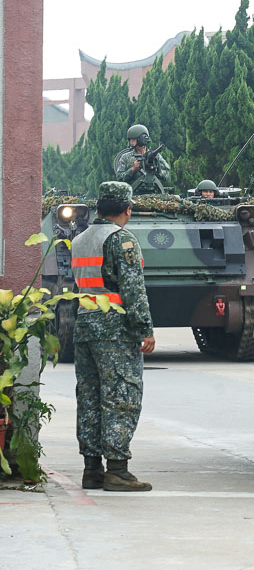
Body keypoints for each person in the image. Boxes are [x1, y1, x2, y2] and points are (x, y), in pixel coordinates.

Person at [70, 181, 156, 492]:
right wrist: (144, 328)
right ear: (127, 209)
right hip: (114, 328)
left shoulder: (79, 239)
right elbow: (133, 290)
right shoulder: (122, 240)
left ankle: (92, 469)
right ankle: (117, 470)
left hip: (85, 325)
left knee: (90, 398)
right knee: (121, 394)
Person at [115, 124, 171, 194]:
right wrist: (133, 169)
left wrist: (156, 170)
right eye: (130, 139)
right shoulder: (126, 157)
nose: (131, 142)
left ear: (141, 139)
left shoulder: (156, 157)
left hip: (154, 194)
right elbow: (120, 178)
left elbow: (166, 174)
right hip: (134, 194)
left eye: (133, 139)